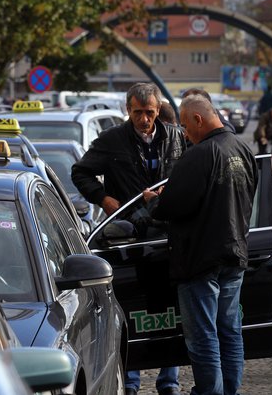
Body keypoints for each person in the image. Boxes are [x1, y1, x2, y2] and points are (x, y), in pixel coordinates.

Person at [71, 82, 185, 395]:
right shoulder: (111, 140)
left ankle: (169, 380)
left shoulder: (176, 137)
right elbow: (80, 173)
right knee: (130, 310)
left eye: (150, 113)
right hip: (126, 237)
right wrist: (104, 199)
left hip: (167, 235)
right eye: (138, 113)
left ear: (158, 110)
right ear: (128, 110)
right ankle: (131, 380)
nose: (145, 119)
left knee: (169, 310)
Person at [143, 94, 258, 395]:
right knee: (229, 333)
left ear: (197, 119)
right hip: (234, 256)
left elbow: (172, 207)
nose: (183, 133)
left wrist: (154, 203)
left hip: (199, 261)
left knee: (204, 337)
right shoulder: (243, 150)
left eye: (184, 125)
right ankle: (227, 391)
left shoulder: (199, 155)